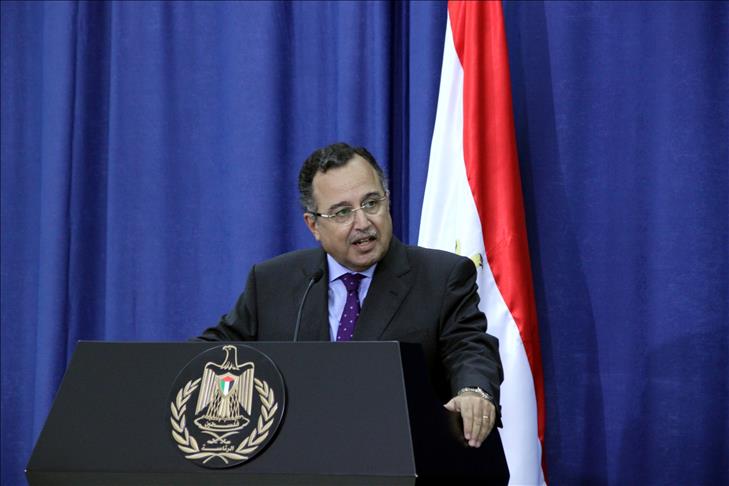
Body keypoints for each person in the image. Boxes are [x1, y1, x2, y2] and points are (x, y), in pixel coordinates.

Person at [199, 142, 503, 448]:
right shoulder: (272, 282)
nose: (363, 223)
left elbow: (469, 348)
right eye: (342, 212)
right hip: (298, 458)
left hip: (399, 455)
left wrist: (473, 391)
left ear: (387, 200)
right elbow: (215, 353)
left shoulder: (440, 276)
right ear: (313, 225)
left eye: (371, 203)